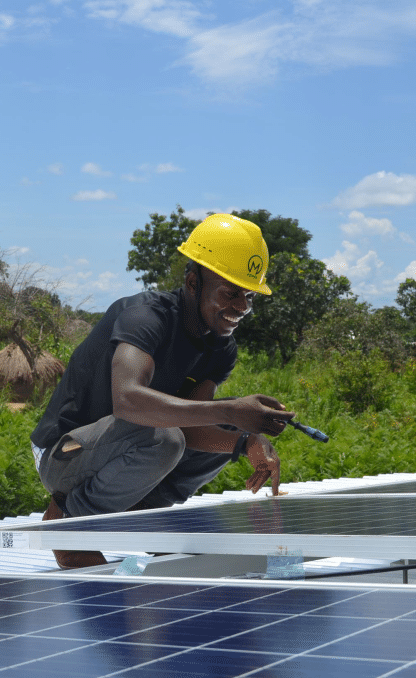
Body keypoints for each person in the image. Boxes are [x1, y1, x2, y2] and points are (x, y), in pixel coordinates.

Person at [30, 213, 296, 569]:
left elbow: (194, 427)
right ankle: (70, 519)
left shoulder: (220, 348)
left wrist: (246, 441)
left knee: (227, 430)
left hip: (122, 451)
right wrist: (231, 410)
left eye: (249, 296)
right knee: (166, 436)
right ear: (191, 283)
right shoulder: (145, 317)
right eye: (231, 293)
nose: (243, 307)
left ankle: (142, 512)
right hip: (65, 453)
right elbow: (128, 401)